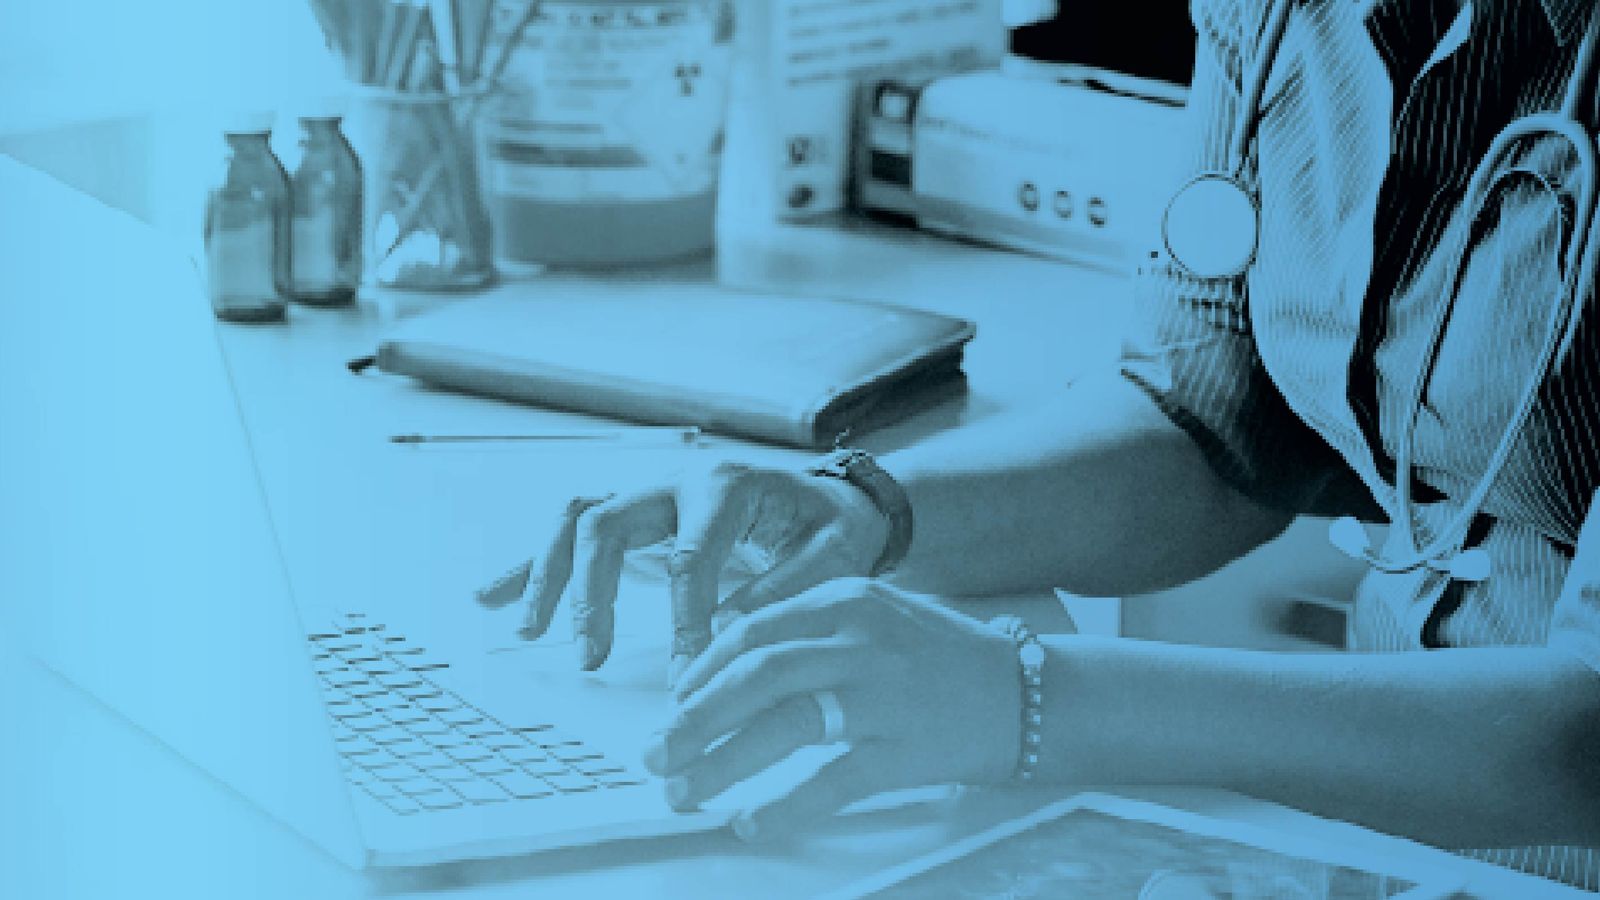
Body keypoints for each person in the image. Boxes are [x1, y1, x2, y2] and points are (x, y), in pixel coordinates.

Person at [475, 0, 1600, 888]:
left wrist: (1020, 703)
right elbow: (1211, 427)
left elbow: (1585, 737)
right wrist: (866, 513)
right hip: (1377, 852)